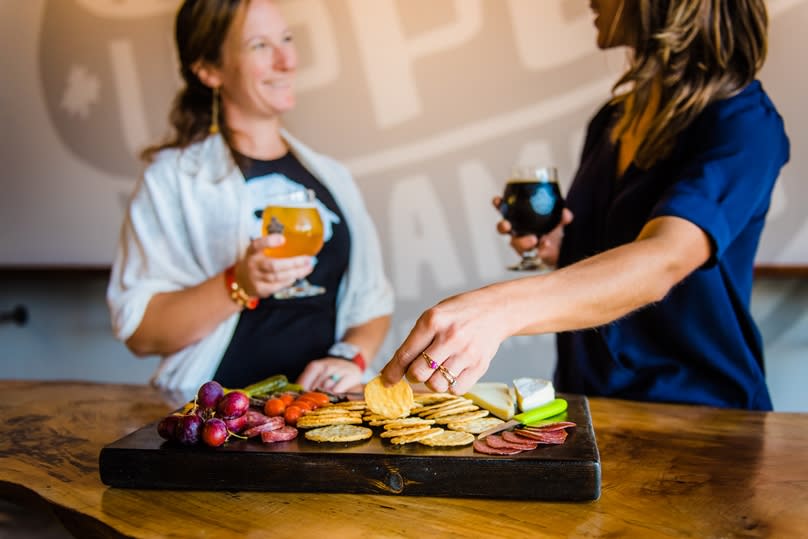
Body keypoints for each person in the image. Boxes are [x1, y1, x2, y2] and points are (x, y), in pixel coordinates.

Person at [381, 0, 788, 410]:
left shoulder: (744, 123)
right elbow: (611, 253)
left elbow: (664, 259)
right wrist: (562, 247)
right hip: (590, 403)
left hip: (703, 416)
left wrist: (497, 311)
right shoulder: (613, 119)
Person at [107, 0, 393, 399]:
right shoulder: (172, 179)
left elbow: (372, 302)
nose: (287, 60)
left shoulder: (333, 177)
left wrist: (350, 358)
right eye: (259, 45)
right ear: (209, 69)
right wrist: (237, 284)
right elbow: (140, 332)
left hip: (323, 414)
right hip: (216, 425)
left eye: (287, 39)